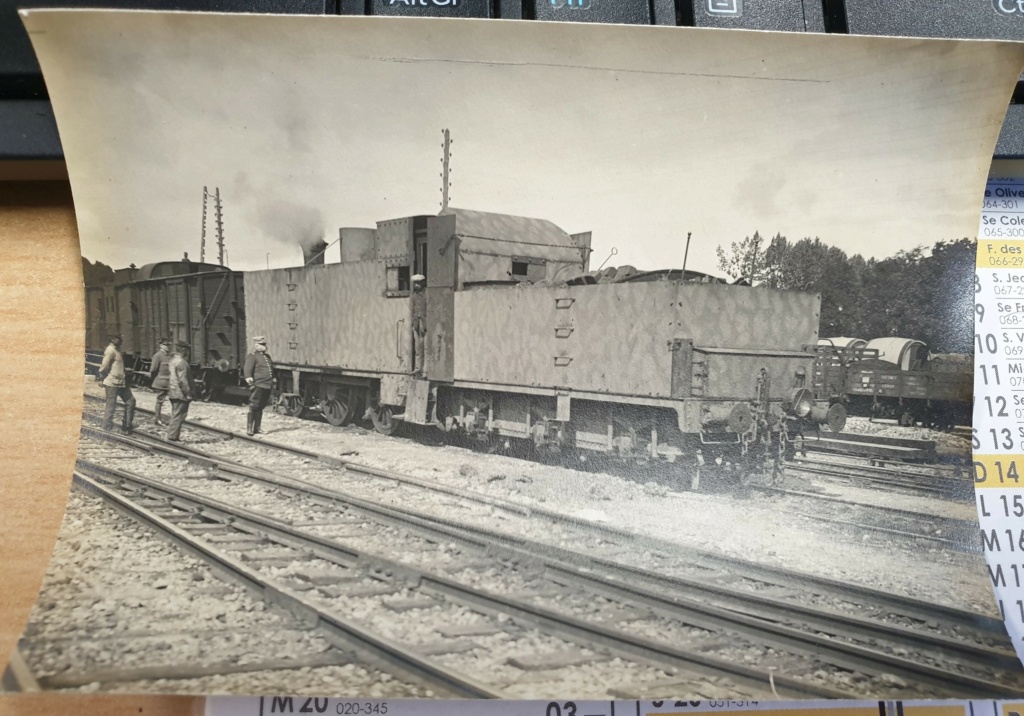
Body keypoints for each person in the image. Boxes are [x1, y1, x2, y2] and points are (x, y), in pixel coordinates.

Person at [98, 334, 136, 434]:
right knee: (111, 405)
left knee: (131, 402)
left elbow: (116, 366)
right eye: (117, 339)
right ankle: (106, 427)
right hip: (112, 383)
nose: (120, 340)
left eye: (119, 339)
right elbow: (104, 366)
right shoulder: (110, 350)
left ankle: (126, 426)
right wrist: (103, 378)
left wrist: (124, 370)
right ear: (112, 340)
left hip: (121, 383)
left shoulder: (117, 350)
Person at [243, 336, 274, 436]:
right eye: (262, 345)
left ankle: (257, 428)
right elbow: (248, 369)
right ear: (256, 345)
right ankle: (249, 429)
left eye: (265, 344)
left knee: (261, 406)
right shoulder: (252, 356)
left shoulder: (267, 356)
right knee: (254, 406)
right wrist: (249, 380)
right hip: (259, 384)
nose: (265, 346)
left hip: (267, 384)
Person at [166, 342, 195, 442]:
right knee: (179, 415)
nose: (188, 352)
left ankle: (173, 436)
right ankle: (172, 437)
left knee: (176, 413)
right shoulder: (182, 362)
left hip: (172, 391)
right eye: (187, 350)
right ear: (183, 350)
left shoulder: (173, 360)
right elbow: (183, 380)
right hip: (180, 393)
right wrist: (188, 393)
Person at [149, 338, 172, 425]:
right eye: (166, 345)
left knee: (173, 400)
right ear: (161, 346)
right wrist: (155, 380)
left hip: (169, 382)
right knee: (160, 401)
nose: (168, 347)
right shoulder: (157, 356)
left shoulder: (169, 356)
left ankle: (171, 419)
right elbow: (153, 369)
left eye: (169, 345)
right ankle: (157, 418)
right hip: (162, 382)